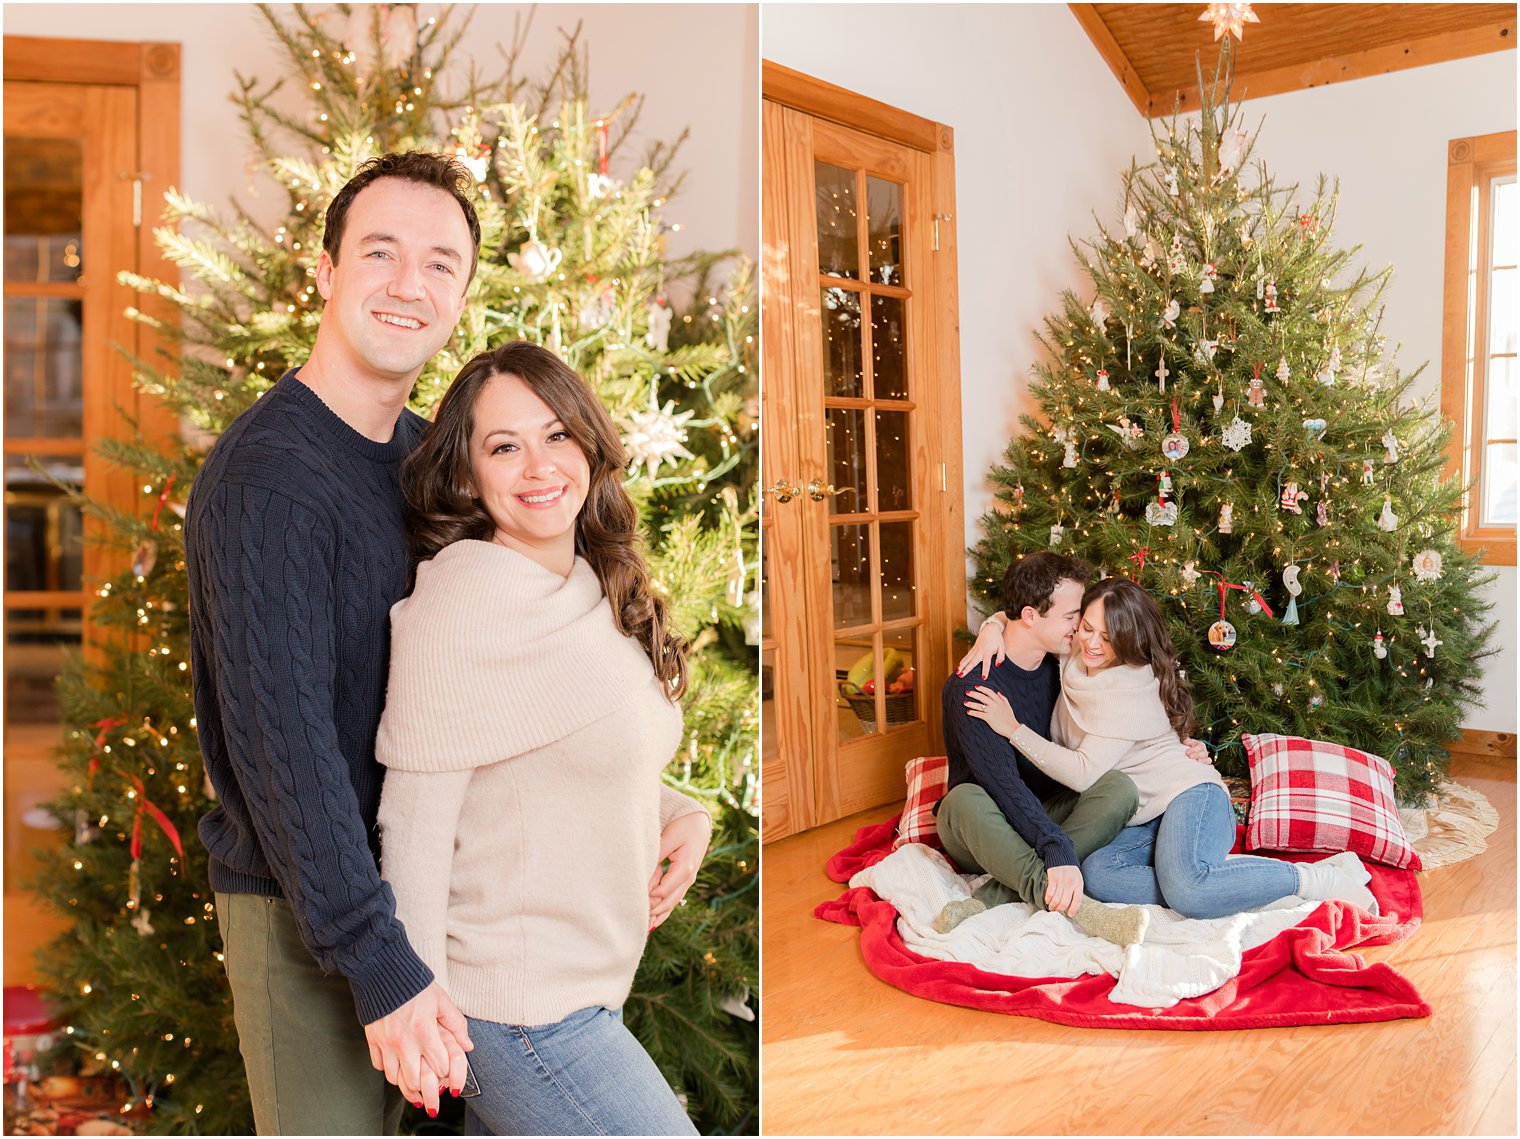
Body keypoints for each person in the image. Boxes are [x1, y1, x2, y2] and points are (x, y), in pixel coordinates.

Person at [187, 152, 485, 1133]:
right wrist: (376, 957)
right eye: (381, 251)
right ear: (325, 272)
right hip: (305, 914)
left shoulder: (418, 460)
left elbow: (482, 669)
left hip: (417, 894)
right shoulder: (270, 476)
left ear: (463, 294)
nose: (410, 283)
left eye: (441, 262)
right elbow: (286, 751)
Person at [374, 341, 711, 1136]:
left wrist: (683, 811)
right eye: (504, 445)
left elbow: (565, 753)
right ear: (467, 473)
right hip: (513, 1010)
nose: (539, 465)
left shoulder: (593, 583)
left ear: (589, 443)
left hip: (583, 991)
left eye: (557, 434)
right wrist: (415, 1012)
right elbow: (414, 828)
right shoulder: (459, 607)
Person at [964, 577, 1378, 920]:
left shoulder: (1129, 688)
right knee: (1098, 876)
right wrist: (992, 628)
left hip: (1189, 796)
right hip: (1139, 817)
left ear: (1129, 641)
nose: (1090, 644)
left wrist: (1013, 729)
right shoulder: (1074, 654)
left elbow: (1082, 774)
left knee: (1189, 892)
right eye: (1087, 627)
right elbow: (1031, 619)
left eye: (1108, 638)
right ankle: (1221, 876)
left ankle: (1309, 880)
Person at [934, 553, 1151, 946]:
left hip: (1040, 812)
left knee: (1119, 787)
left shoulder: (1059, 665)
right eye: (1072, 617)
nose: (1081, 629)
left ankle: (992, 897)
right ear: (1032, 616)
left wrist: (1180, 740)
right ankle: (1084, 911)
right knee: (963, 800)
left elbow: (1125, 702)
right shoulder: (973, 686)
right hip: (983, 824)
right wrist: (1059, 849)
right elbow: (1004, 788)